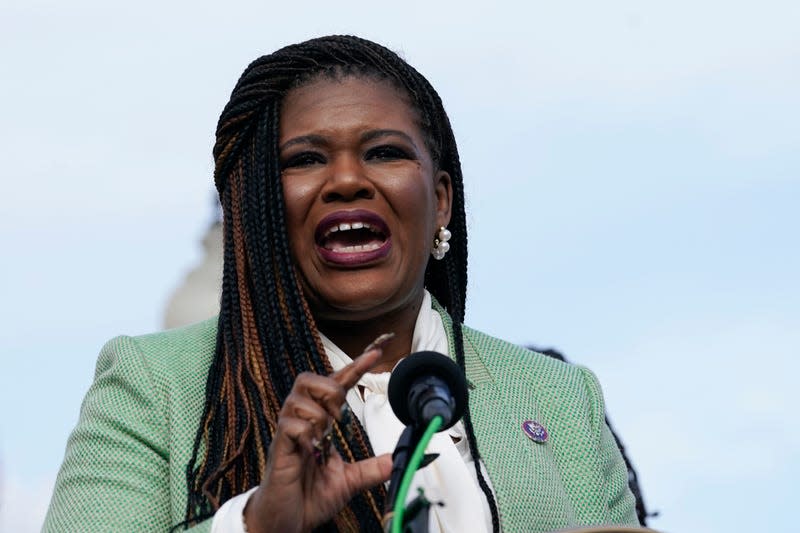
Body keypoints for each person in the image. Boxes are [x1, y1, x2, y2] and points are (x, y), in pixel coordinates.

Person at [43, 35, 640, 533]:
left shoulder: (560, 399)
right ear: (256, 212)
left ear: (439, 203)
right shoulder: (155, 385)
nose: (348, 180)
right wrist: (255, 525)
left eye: (384, 152)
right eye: (304, 159)